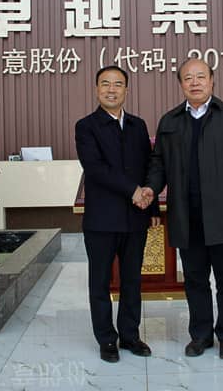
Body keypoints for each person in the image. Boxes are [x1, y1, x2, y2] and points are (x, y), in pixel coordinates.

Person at [143, 58, 223, 360]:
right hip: (187, 215)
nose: (194, 82)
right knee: (195, 280)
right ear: (180, 83)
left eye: (200, 76)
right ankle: (201, 335)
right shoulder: (170, 121)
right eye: (188, 78)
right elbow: (158, 164)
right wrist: (150, 189)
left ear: (212, 80)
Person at [75, 65, 158, 363]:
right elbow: (95, 168)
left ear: (126, 90)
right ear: (97, 89)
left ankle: (130, 336)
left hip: (136, 218)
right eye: (106, 84)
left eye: (118, 84)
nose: (112, 89)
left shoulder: (138, 125)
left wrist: (151, 203)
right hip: (101, 220)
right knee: (99, 282)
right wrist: (132, 190)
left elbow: (148, 165)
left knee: (132, 280)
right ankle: (106, 339)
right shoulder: (86, 126)